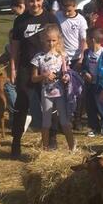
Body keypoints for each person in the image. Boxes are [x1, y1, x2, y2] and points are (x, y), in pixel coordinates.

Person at [8, 0, 57, 159]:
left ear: (42, 0)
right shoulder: (20, 21)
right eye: (31, 1)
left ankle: (51, 140)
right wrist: (13, 67)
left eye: (37, 0)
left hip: (48, 68)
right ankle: (15, 144)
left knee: (50, 105)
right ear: (26, 1)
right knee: (21, 105)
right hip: (26, 69)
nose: (34, 4)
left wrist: (61, 64)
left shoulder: (50, 18)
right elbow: (14, 47)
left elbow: (59, 42)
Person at [31, 23, 76, 151]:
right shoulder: (38, 57)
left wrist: (66, 77)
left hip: (60, 93)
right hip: (46, 93)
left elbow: (67, 71)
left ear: (58, 40)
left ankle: (72, 148)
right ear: (43, 40)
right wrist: (44, 76)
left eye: (53, 40)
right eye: (48, 40)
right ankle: (45, 149)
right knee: (46, 122)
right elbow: (33, 78)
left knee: (65, 122)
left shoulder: (63, 55)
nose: (50, 43)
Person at [82, 27, 103, 138]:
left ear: (92, 40)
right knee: (90, 106)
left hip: (101, 85)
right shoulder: (87, 53)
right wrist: (85, 73)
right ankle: (94, 127)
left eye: (87, 39)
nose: (85, 41)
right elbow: (84, 66)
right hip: (90, 84)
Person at [56, 0, 88, 69]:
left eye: (69, 11)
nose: (66, 13)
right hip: (61, 57)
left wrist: (81, 59)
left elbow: (84, 41)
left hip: (76, 58)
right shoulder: (57, 16)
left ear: (75, 6)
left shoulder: (81, 20)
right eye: (64, 10)